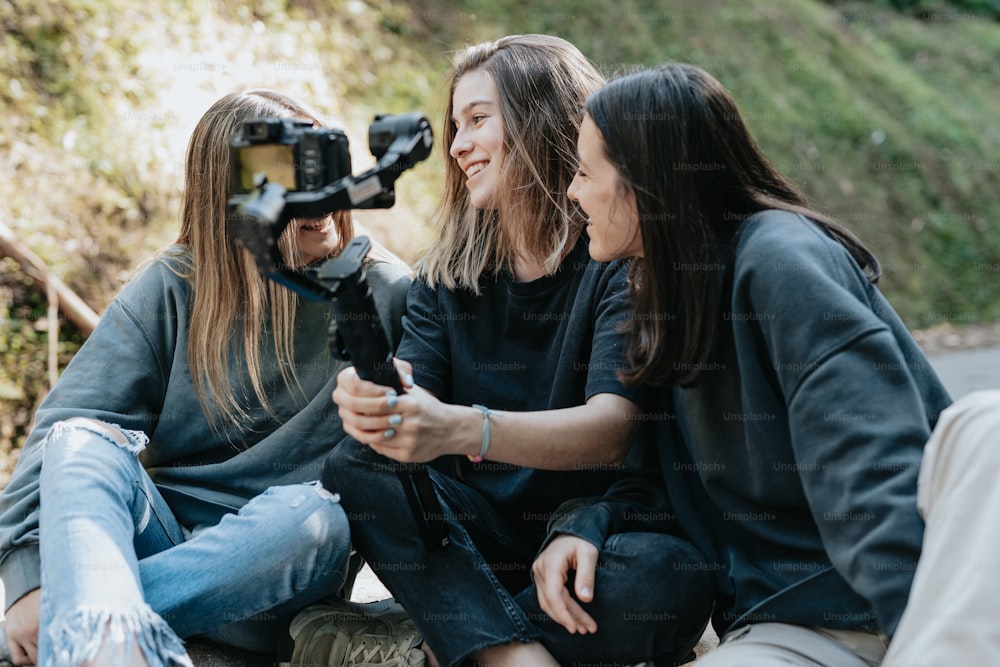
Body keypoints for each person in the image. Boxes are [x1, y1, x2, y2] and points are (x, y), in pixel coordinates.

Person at [535, 62, 1000, 666]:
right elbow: (652, 482)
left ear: (644, 181)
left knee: (987, 424)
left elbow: (869, 467)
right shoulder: (666, 297)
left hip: (920, 601)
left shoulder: (780, 260)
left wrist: (915, 629)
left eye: (583, 172)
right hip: (791, 628)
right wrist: (583, 522)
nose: (571, 192)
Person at [316, 36, 714, 667]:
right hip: (477, 543)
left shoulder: (616, 256)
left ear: (542, 120)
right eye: (453, 126)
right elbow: (417, 405)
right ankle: (512, 657)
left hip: (601, 534)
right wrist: (382, 401)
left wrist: (467, 429)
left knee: (667, 576)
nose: (456, 146)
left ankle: (446, 645)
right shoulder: (446, 276)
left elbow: (614, 430)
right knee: (356, 464)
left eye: (478, 120)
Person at [0, 89, 411, 666]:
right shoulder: (173, 286)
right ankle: (111, 640)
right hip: (158, 539)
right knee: (81, 441)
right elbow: (61, 436)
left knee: (315, 518)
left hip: (274, 576)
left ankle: (77, 623)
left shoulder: (386, 294)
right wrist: (24, 577)